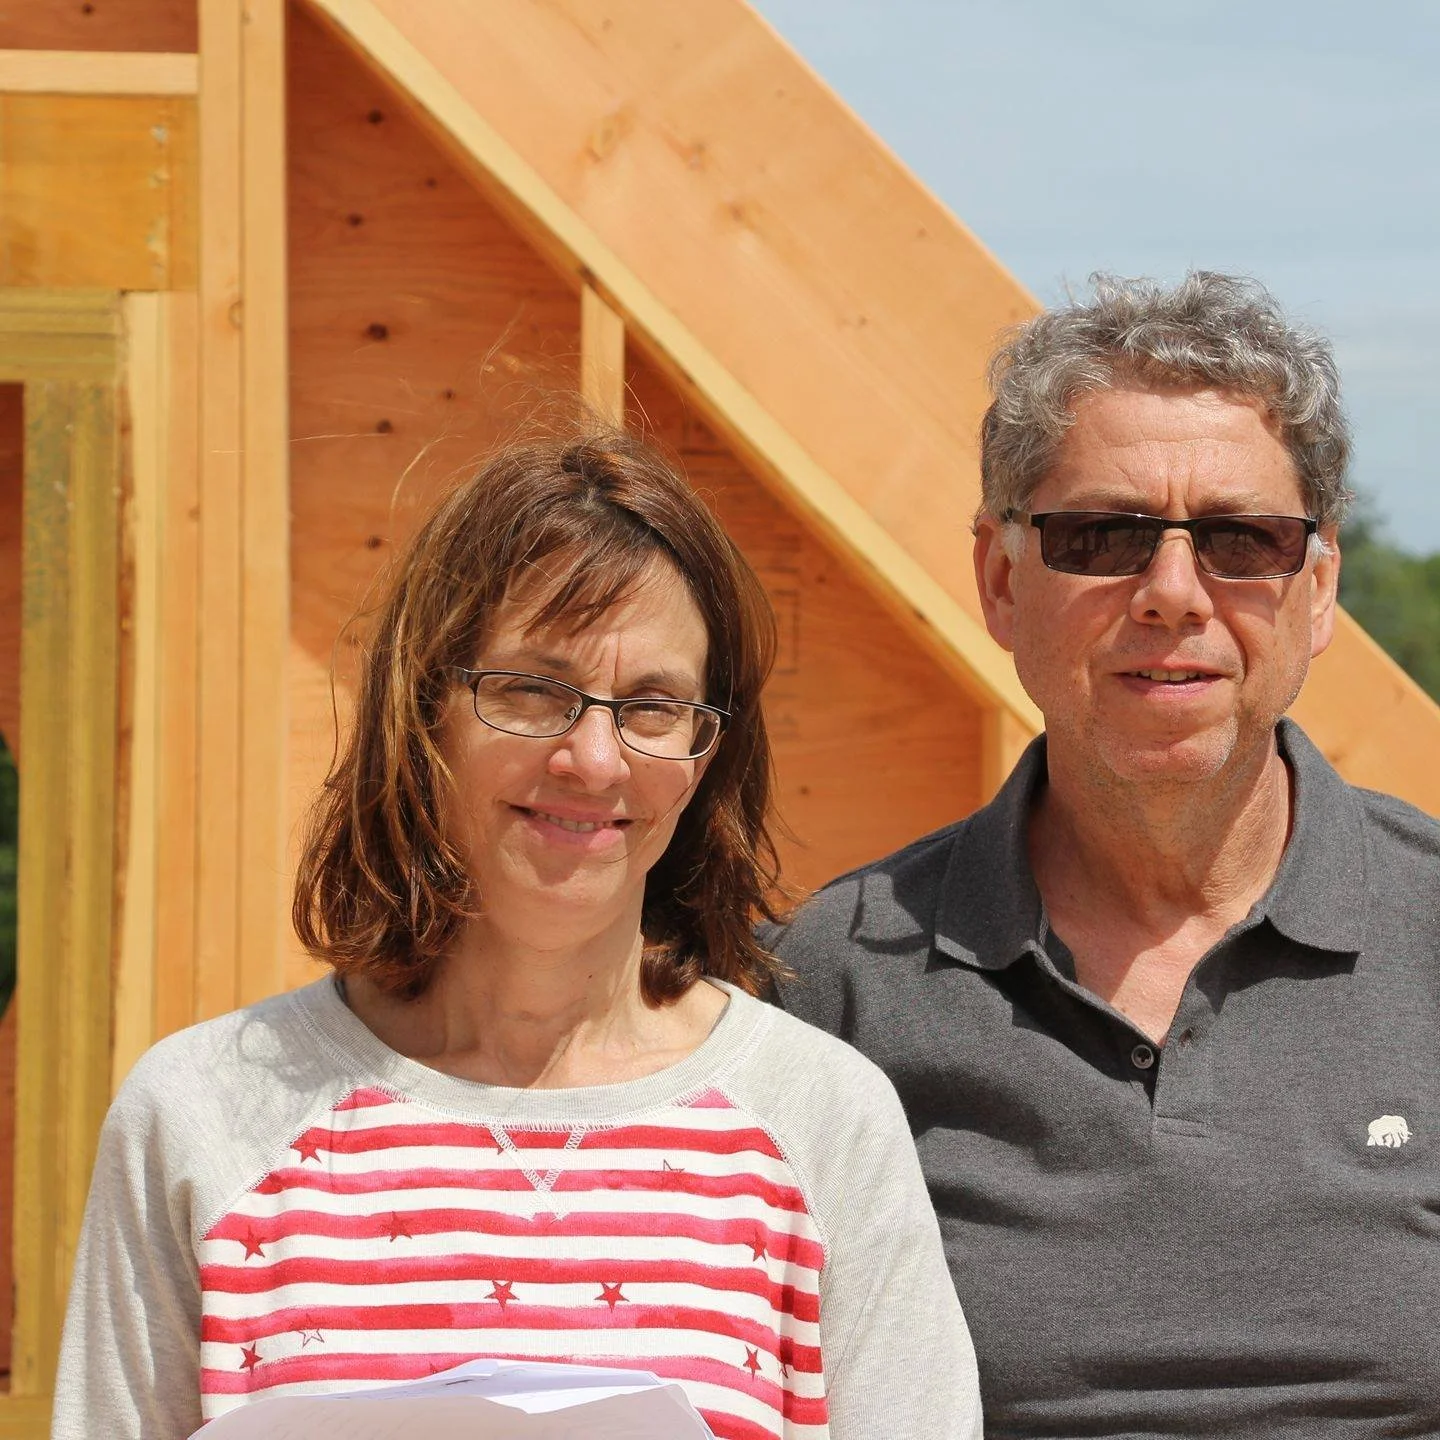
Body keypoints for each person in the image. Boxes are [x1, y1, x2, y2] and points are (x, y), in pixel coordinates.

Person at [53, 431, 981, 1440]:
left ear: (710, 752)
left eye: (654, 706)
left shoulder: (822, 1122)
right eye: (533, 690)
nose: (593, 759)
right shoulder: (200, 1116)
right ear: (425, 710)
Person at [764, 273, 1440, 1438]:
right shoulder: (838, 979)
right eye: (1105, 538)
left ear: (1318, 589)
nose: (1173, 594)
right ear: (999, 580)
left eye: (1240, 539)